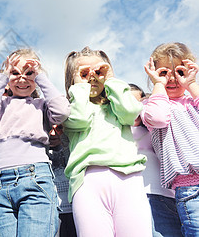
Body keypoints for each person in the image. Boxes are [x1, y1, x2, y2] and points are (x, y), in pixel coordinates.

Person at [0, 48, 70, 237]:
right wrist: (3, 76)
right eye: (15, 73)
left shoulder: (41, 105)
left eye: (29, 73)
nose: (22, 79)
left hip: (34, 177)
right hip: (1, 184)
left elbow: (62, 111)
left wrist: (41, 76)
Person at [63, 46, 151, 237]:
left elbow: (130, 112)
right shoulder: (68, 108)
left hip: (128, 178)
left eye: (98, 71)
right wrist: (79, 88)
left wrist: (110, 78)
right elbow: (80, 119)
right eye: (84, 73)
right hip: (88, 181)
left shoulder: (118, 105)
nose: (92, 77)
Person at [141, 42, 199, 236]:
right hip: (189, 186)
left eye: (179, 72)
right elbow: (157, 118)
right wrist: (159, 84)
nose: (173, 79)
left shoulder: (193, 100)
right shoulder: (151, 103)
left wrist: (190, 84)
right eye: (165, 73)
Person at [129, 83, 182, 237]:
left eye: (138, 103)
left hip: (161, 195)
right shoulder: (114, 132)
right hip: (131, 196)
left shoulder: (155, 129)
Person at [47, 125, 77, 237]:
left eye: (58, 128)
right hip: (51, 210)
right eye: (49, 128)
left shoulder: (73, 146)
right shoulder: (39, 150)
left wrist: (64, 140)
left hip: (73, 208)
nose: (53, 133)